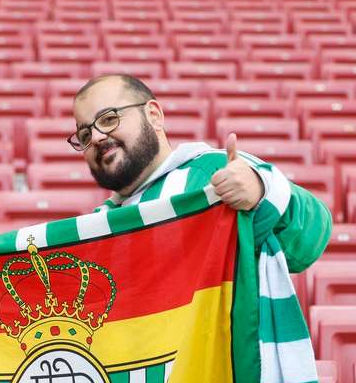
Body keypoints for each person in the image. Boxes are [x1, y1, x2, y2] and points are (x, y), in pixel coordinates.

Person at [68, 74, 331, 271]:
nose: (98, 136)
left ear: (154, 115)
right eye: (85, 134)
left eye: (109, 119)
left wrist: (262, 192)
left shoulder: (214, 171)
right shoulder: (99, 225)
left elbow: (310, 240)